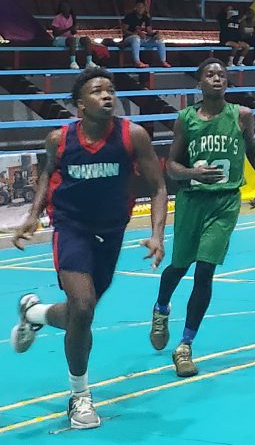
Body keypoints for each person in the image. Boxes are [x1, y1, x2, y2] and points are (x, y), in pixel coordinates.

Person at [9, 67, 167, 430]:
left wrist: (158, 234)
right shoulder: (59, 139)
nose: (108, 96)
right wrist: (33, 215)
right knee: (82, 305)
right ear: (81, 105)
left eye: (111, 90)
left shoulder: (134, 136)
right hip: (71, 228)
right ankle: (79, 395)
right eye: (98, 91)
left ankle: (34, 314)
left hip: (111, 233)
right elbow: (48, 175)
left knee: (83, 313)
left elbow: (158, 188)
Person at [149, 58, 255, 377]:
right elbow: (171, 166)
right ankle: (161, 307)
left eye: (222, 74)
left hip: (225, 201)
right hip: (192, 200)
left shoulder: (242, 115)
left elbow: (252, 149)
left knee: (205, 270)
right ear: (199, 83)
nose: (217, 78)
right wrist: (193, 173)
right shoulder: (186, 119)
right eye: (210, 74)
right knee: (179, 266)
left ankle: (185, 346)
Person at [121, 0, 169, 69]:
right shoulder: (129, 16)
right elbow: (124, 31)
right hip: (130, 39)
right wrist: (135, 34)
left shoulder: (146, 17)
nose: (140, 9)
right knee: (136, 38)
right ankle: (137, 61)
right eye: (139, 7)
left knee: (160, 40)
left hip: (142, 39)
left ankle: (163, 61)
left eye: (142, 7)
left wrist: (155, 34)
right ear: (135, 8)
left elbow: (149, 31)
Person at [49, 0, 92, 71]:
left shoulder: (72, 17)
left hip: (69, 39)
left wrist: (74, 29)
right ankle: (73, 62)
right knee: (72, 40)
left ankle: (89, 62)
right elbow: (55, 33)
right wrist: (69, 28)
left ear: (70, 8)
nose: (65, 8)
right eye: (63, 7)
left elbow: (73, 32)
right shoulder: (57, 18)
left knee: (86, 39)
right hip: (59, 40)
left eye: (67, 7)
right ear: (60, 8)